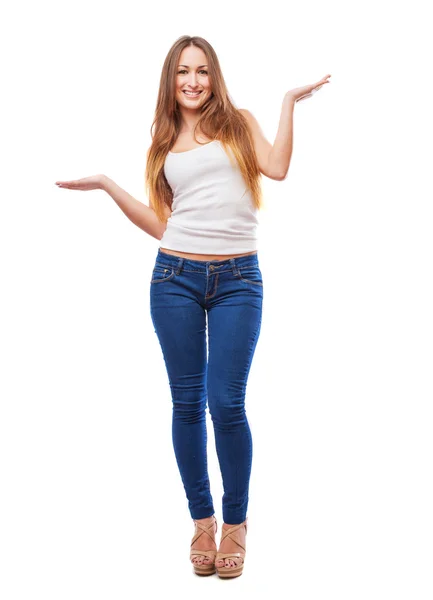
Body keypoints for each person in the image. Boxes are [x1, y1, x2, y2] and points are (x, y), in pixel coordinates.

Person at [55, 34, 331, 579]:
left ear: (214, 76)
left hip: (238, 280)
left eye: (202, 71)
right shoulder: (162, 139)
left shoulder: (238, 122)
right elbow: (165, 223)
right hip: (174, 278)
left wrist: (287, 104)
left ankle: (235, 524)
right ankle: (201, 522)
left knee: (226, 402)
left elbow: (276, 169)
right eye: (184, 71)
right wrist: (110, 187)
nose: (194, 81)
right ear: (171, 78)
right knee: (185, 404)